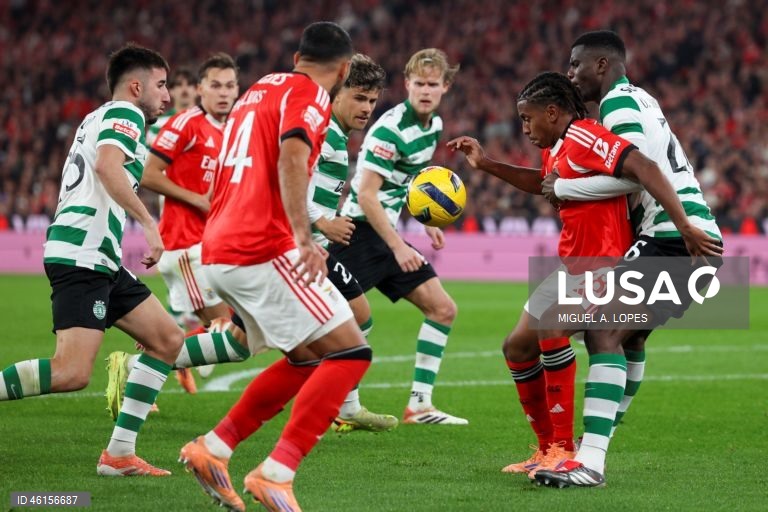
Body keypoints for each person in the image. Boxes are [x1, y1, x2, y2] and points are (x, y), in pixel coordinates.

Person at [178, 22, 370, 512]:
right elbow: (291, 156)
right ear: (344, 70)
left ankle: (214, 448)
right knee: (351, 353)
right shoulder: (309, 95)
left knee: (307, 358)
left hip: (218, 246)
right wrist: (304, 239)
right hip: (260, 246)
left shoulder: (260, 88)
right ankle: (276, 473)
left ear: (296, 54)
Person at [533, 30, 723, 488]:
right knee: (630, 338)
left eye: (576, 64)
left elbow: (637, 176)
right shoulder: (643, 99)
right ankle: (594, 445)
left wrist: (563, 188)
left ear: (602, 65)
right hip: (685, 237)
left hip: (677, 240)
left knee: (603, 329)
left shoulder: (618, 105)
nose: (570, 74)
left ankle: (591, 462)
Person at [0, 44, 184, 476]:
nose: (167, 95)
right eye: (161, 85)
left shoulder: (97, 116)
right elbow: (106, 166)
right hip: (83, 253)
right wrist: (149, 223)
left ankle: (119, 455)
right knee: (70, 373)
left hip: (97, 255)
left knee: (167, 340)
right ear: (136, 86)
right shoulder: (128, 114)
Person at [332, 48, 466, 425]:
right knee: (349, 319)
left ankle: (420, 406)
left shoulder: (433, 126)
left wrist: (425, 219)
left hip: (385, 232)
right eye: (419, 83)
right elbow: (366, 193)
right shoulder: (390, 128)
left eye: (433, 84)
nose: (425, 90)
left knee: (443, 309)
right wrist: (397, 246)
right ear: (407, 84)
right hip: (359, 231)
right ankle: (344, 408)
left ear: (445, 86)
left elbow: (409, 181)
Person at [105, 53, 240, 405]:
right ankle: (141, 363)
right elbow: (149, 174)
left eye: (230, 86)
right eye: (215, 85)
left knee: (233, 331)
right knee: (231, 333)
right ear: (200, 89)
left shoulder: (230, 130)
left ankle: (139, 363)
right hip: (185, 247)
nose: (223, 93)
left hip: (209, 246)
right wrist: (196, 199)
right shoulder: (184, 124)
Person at [306, 53, 397, 432]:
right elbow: (282, 182)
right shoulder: (320, 132)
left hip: (313, 247)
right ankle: (155, 358)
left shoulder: (338, 138)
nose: (367, 108)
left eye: (372, 101)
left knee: (358, 314)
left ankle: (348, 406)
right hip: (294, 246)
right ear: (336, 92)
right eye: (359, 97)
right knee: (242, 342)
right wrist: (322, 221)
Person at [145, 67, 197, 147]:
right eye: (179, 85)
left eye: (189, 84)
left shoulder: (208, 120)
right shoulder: (159, 122)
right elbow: (150, 155)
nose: (184, 89)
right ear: (171, 91)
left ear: (197, 90)